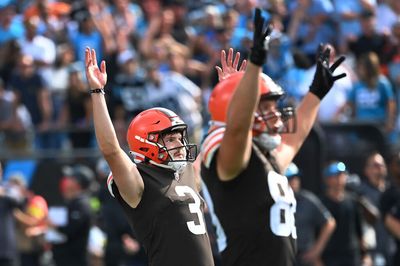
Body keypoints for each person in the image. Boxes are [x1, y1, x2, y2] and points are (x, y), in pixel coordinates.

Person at [200, 7, 346, 266]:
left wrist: (315, 93)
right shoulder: (230, 157)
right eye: (266, 108)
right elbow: (236, 129)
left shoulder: (265, 157)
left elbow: (294, 139)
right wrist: (254, 65)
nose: (277, 117)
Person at [84, 47, 214, 265]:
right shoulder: (140, 180)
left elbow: (220, 137)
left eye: (180, 138)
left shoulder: (187, 171)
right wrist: (98, 93)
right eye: (171, 139)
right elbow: (111, 149)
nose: (180, 144)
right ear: (146, 142)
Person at [320, 161, 372, 266]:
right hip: (330, 257)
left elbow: (359, 231)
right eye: (336, 175)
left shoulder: (353, 201)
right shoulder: (321, 203)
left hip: (351, 256)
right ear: (327, 179)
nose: (340, 179)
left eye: (342, 175)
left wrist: (366, 255)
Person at [286, 163, 336, 266]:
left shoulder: (308, 200)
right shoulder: (273, 201)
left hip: (304, 257)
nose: (294, 182)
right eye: (290, 178)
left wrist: (316, 251)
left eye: (296, 178)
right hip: (283, 256)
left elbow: (329, 223)